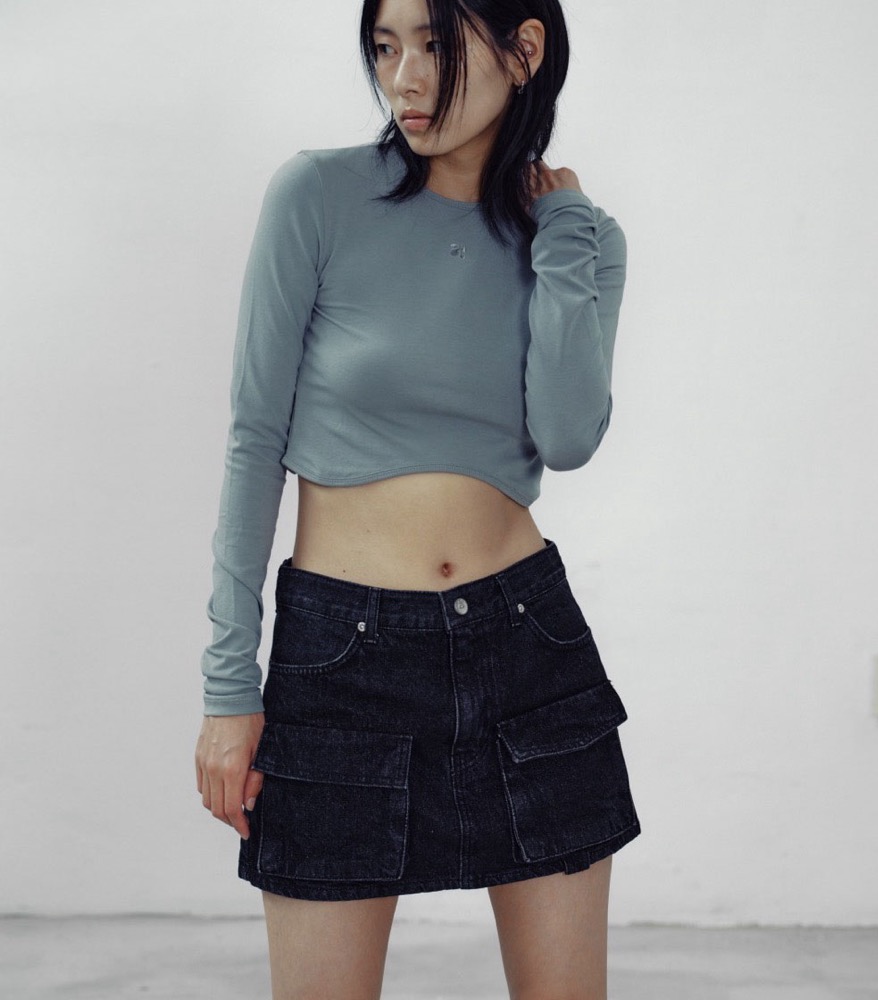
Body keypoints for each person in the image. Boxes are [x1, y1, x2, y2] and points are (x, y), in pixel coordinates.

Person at [194, 0, 639, 996]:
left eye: (436, 44)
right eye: (386, 47)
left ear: (524, 50)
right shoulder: (318, 195)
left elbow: (567, 435)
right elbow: (254, 439)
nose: (404, 77)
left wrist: (563, 228)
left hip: (526, 649)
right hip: (341, 660)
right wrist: (230, 686)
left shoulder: (579, 239)